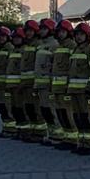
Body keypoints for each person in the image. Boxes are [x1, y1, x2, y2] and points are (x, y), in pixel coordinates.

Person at [66, 21, 90, 155]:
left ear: (87, 35)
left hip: (85, 92)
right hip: (74, 91)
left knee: (86, 117)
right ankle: (82, 143)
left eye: (81, 35)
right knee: (77, 117)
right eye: (77, 35)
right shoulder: (75, 49)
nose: (78, 37)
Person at [49, 19, 77, 148]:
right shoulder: (59, 47)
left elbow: (73, 67)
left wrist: (69, 86)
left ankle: (73, 140)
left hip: (66, 87)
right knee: (61, 114)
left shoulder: (72, 46)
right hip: (57, 87)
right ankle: (66, 138)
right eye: (59, 32)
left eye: (63, 32)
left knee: (68, 113)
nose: (60, 34)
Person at [33, 18, 60, 147]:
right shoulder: (40, 45)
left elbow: (56, 65)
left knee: (51, 111)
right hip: (40, 85)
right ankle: (50, 134)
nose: (41, 31)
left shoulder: (55, 45)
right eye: (41, 29)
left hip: (49, 85)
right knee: (45, 111)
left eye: (44, 29)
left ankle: (57, 136)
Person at [0, 26, 16, 138]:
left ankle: (12, 129)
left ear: (8, 37)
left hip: (6, 84)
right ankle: (6, 128)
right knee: (0, 106)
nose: (1, 38)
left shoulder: (10, 48)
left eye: (3, 36)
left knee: (7, 106)